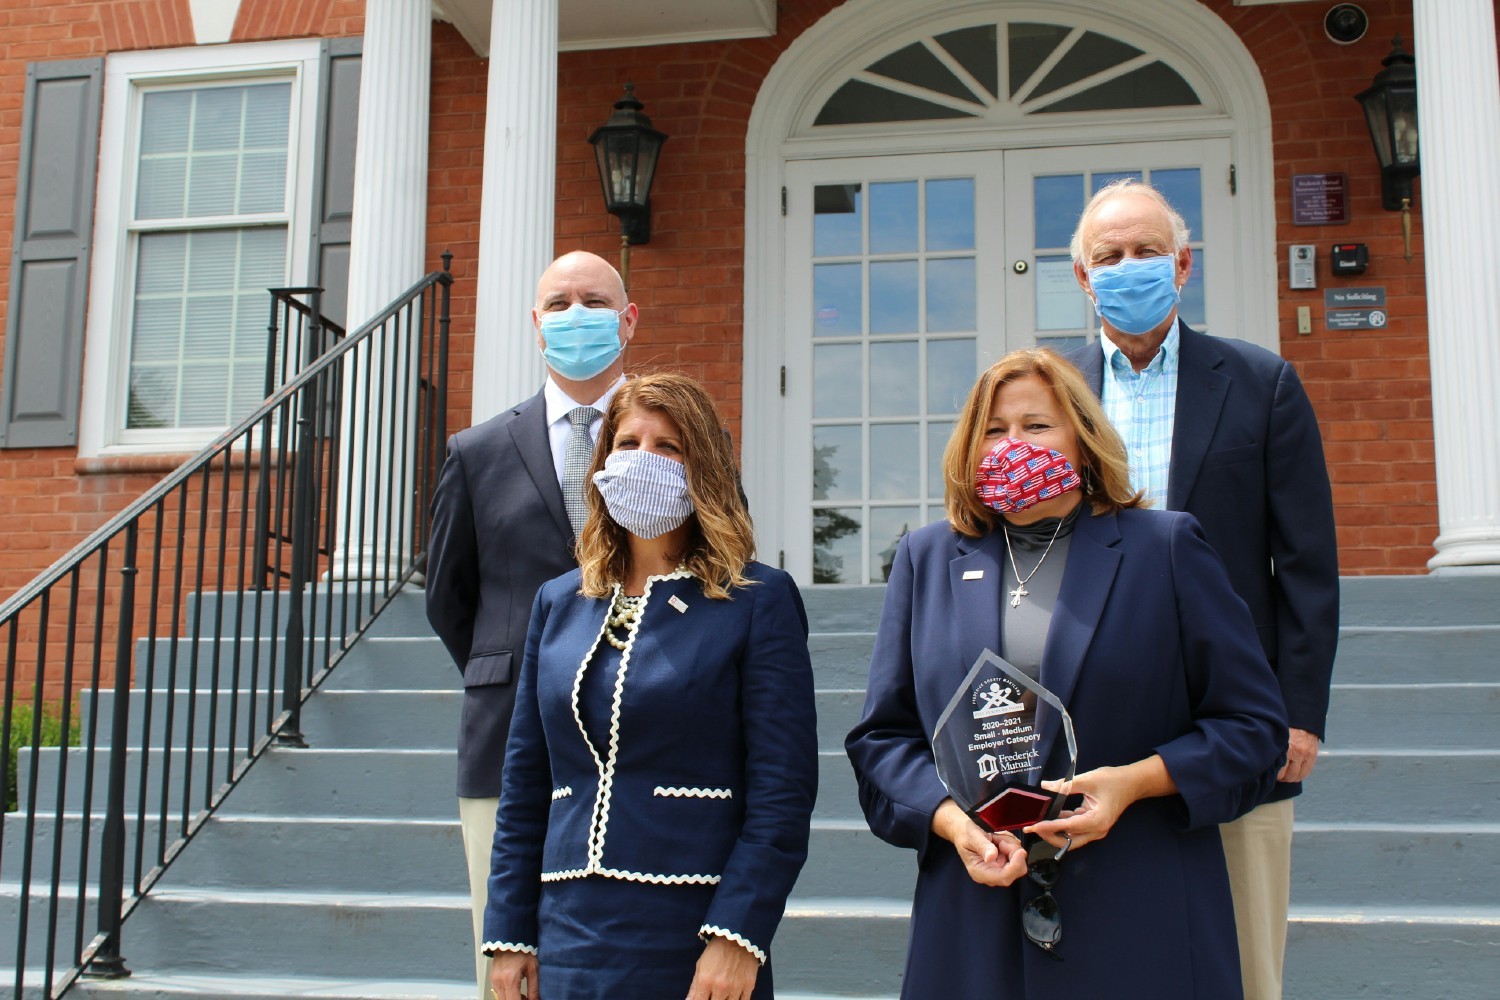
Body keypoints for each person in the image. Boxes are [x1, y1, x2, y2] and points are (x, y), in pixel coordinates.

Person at [845, 349, 1288, 998]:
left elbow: (1253, 729)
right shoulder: (926, 557)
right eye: (993, 430)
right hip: (974, 915)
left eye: (1037, 424)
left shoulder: (1165, 548)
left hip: (1138, 910)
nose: (1012, 443)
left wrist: (1134, 784)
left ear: (1083, 440)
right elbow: (882, 740)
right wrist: (951, 823)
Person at [1063, 179, 1339, 1000]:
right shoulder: (1053, 394)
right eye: (1109, 256)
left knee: (1246, 965)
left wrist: (1300, 712)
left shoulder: (1263, 383)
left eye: (1147, 251)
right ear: (1083, 278)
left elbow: (1308, 565)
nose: (1130, 267)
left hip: (1237, 715)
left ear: (1183, 264)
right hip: (1095, 713)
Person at [483, 373, 818, 1000]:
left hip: (693, 924)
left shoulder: (757, 600)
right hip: (566, 922)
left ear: (705, 468)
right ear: (602, 462)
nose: (643, 459)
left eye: (668, 446)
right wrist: (509, 935)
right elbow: (525, 780)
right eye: (628, 442)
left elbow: (783, 791)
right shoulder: (559, 601)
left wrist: (737, 935)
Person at [426, 250, 637, 999]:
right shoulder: (476, 452)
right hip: (506, 736)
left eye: (594, 300)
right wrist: (522, 673)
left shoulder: (679, 438)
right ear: (536, 323)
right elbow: (449, 598)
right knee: (511, 967)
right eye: (559, 302)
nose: (577, 315)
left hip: (648, 737)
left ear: (628, 318)